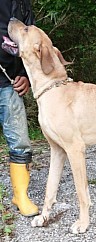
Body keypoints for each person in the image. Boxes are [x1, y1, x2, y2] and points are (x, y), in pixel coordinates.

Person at [0, 0, 38, 216]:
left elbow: (30, 39)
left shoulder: (22, 3)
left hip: (8, 82)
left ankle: (20, 196)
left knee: (20, 142)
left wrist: (25, 76)